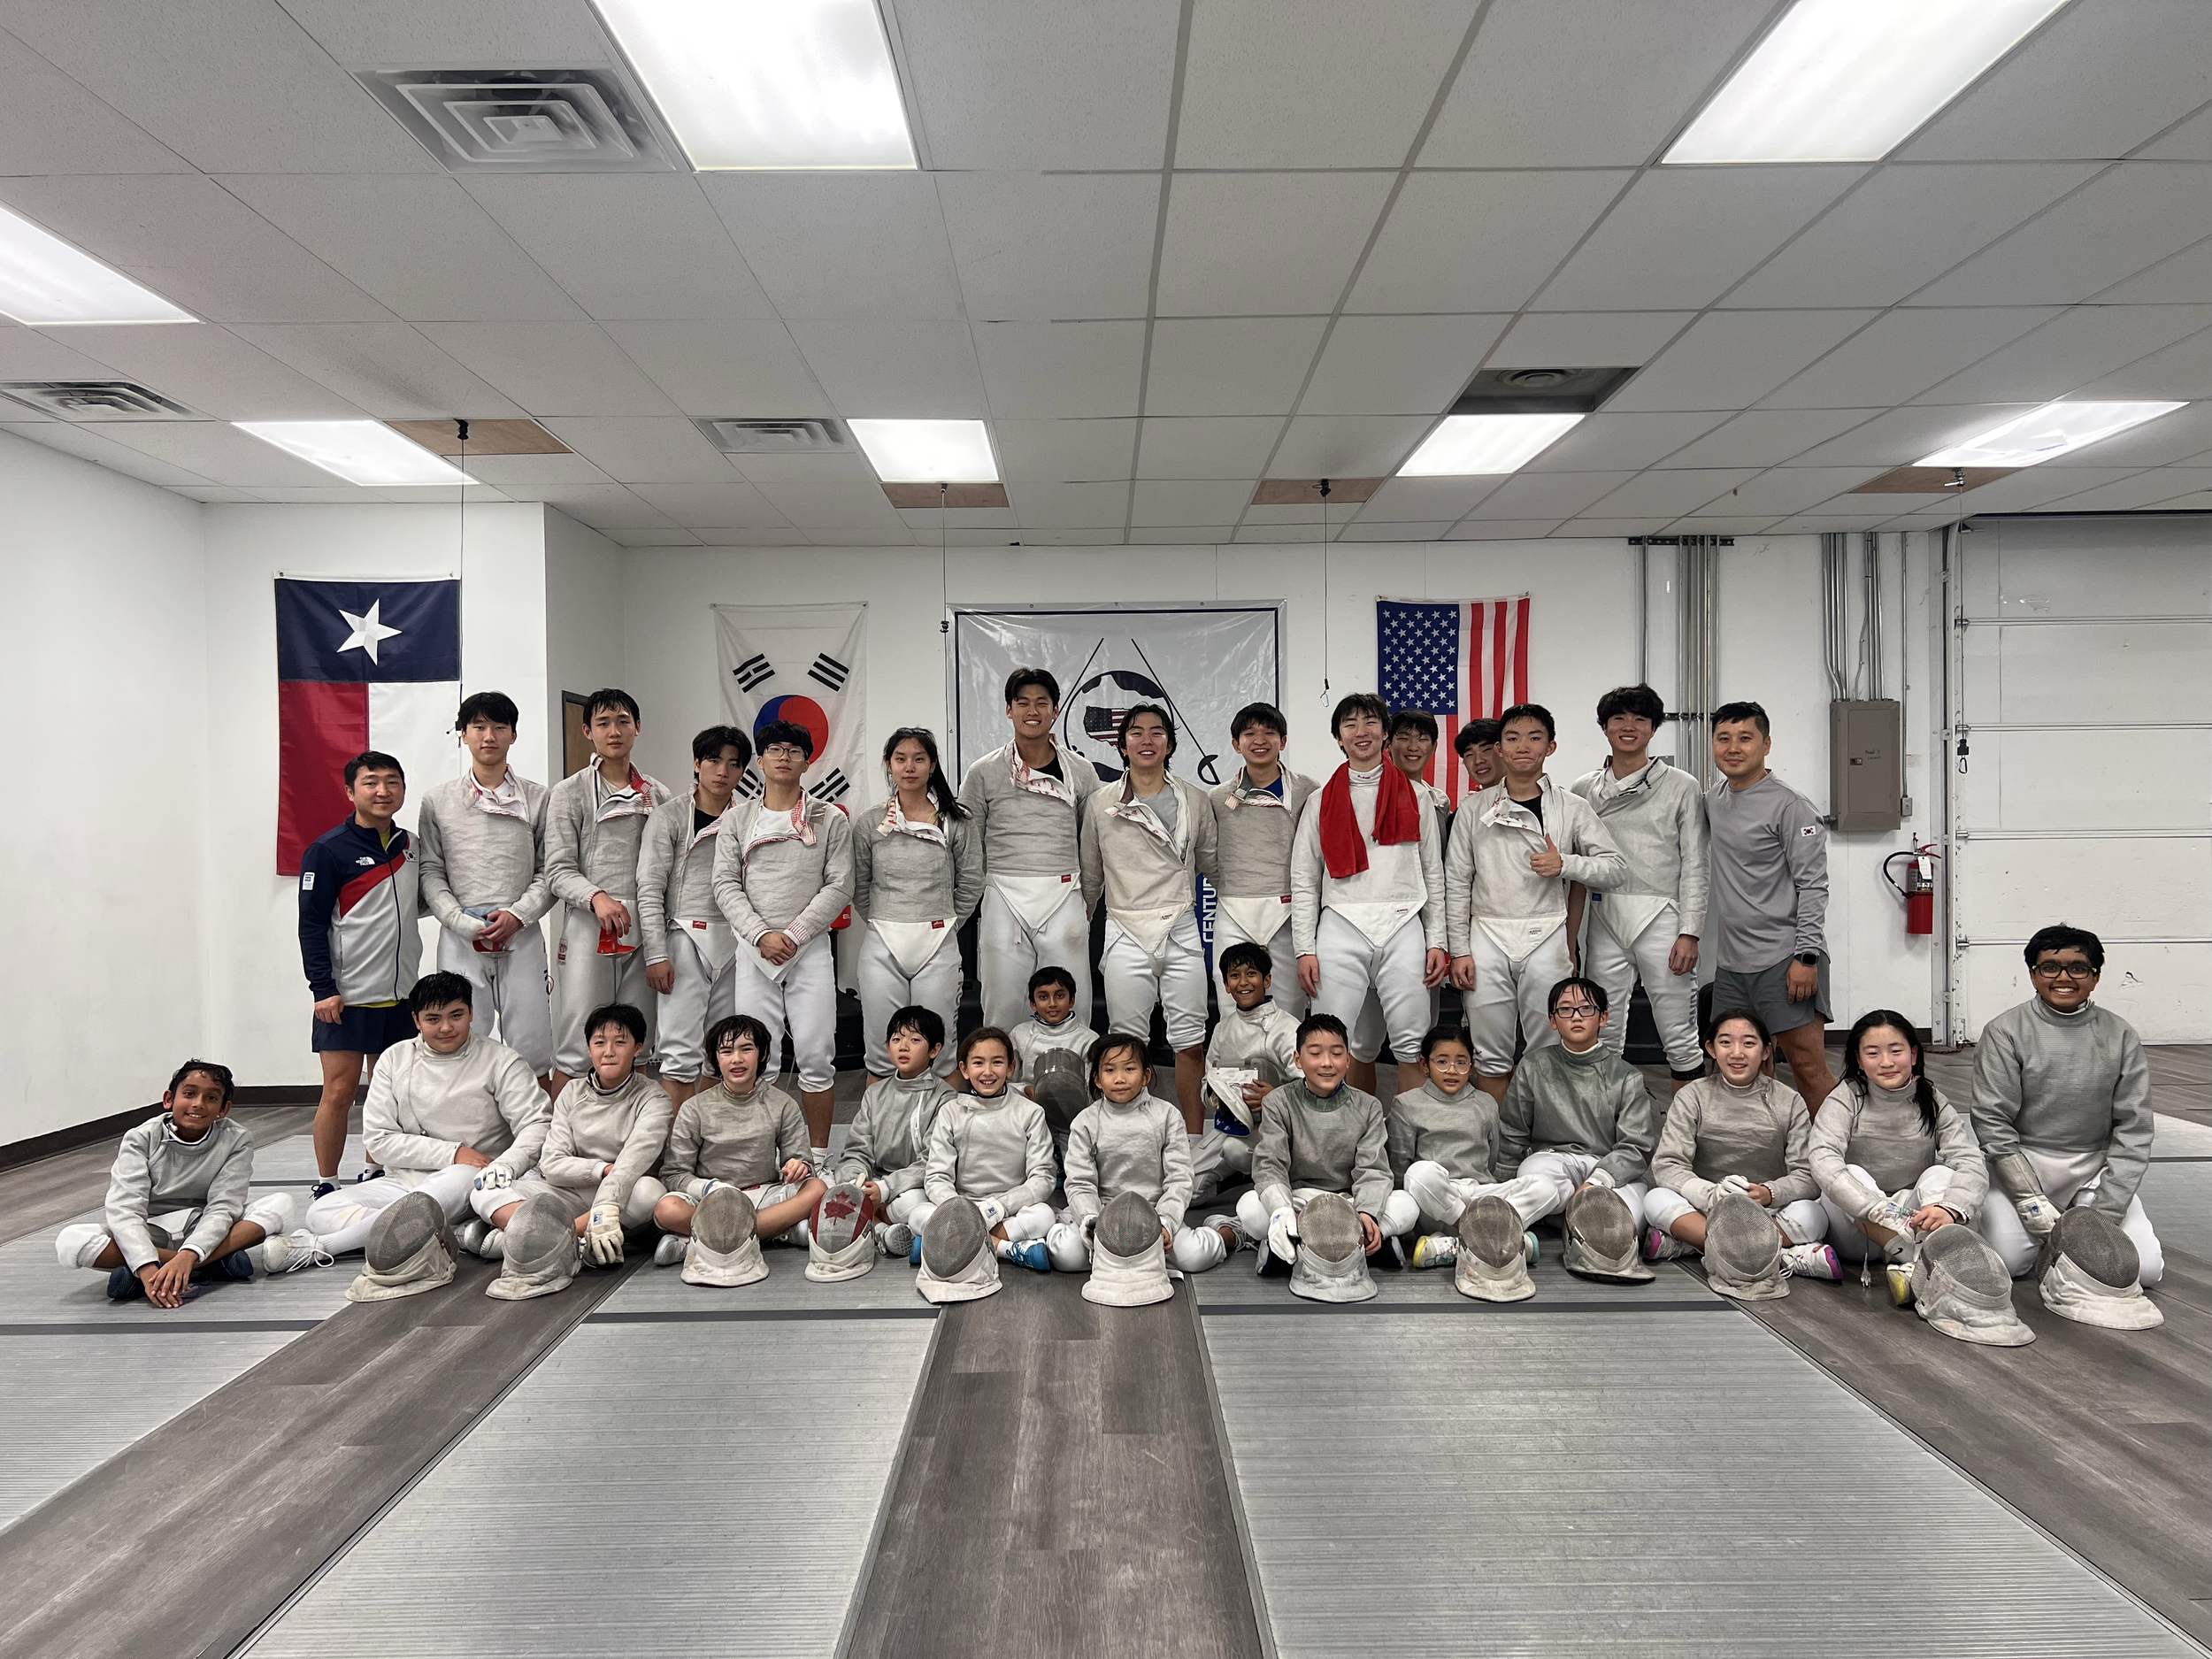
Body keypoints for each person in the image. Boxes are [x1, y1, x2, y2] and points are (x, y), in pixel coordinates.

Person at [1447, 704, 1627, 1102]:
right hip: (1486, 934)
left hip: (1547, 931)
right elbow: (1457, 882)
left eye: (1534, 738)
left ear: (1551, 746)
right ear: (1499, 749)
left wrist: (1566, 863)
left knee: (1547, 1050)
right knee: (1490, 1053)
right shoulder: (1474, 810)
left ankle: (1546, 1139)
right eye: (1512, 739)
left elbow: (1615, 869)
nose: (1523, 746)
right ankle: (1495, 1149)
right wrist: (1458, 950)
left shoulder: (1571, 808)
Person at [300, 972, 549, 1261]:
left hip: (475, 1181)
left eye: (456, 1015)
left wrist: (504, 1165)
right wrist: (454, 1152)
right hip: (406, 1180)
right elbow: (379, 1141)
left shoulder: (502, 1061)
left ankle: (323, 1248)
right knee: (320, 1212)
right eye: (433, 1019)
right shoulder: (394, 1060)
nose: (446, 1027)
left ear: (471, 1013)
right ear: (416, 1020)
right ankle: (457, 1234)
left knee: (456, 1177)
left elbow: (537, 1124)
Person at [1972, 925, 2162, 1285]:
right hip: (2024, 1165)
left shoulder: (2119, 1034)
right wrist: (2029, 1199)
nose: (2064, 978)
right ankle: (2053, 1237)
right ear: (2033, 974)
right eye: (2050, 967)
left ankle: (2069, 1233)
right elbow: (1991, 1120)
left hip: (2095, 1167)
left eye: (2078, 968)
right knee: (2010, 1264)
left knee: (2146, 1271)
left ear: (2095, 977)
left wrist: (2105, 1210)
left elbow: (2134, 1128)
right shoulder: (2005, 1031)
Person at [709, 718, 856, 1159]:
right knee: (756, 1061)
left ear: (807, 760)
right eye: (775, 750)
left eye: (794, 750)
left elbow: (840, 884)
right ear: (760, 760)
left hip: (808, 951)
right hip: (754, 953)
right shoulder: (736, 819)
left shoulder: (829, 818)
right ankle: (763, 1158)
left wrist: (794, 933)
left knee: (816, 1058)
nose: (784, 756)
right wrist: (760, 935)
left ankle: (818, 1159)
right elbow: (724, 884)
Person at [57, 1060, 319, 1304]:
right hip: (151, 1232)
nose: (199, 1104)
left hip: (202, 1226)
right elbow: (126, 1209)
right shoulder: (140, 1138)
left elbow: (224, 1207)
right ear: (169, 1099)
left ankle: (161, 1270)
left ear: (223, 1109)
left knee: (281, 1204)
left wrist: (189, 1254)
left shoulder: (237, 1139)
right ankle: (201, 1266)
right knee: (71, 1241)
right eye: (190, 1094)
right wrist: (148, 1266)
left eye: (212, 1098)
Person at [1291, 693, 1448, 1096]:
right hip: (1341, 922)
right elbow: (1305, 879)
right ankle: (1336, 1143)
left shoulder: (1417, 797)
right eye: (1350, 725)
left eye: (1371, 723)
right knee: (1334, 1041)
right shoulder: (1319, 801)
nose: (1362, 732)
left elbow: (1433, 873)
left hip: (1404, 922)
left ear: (1385, 733)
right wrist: (1304, 948)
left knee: (1411, 1046)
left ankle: (1409, 1144)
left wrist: (1438, 941)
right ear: (1339, 738)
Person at [1080, 703, 1217, 1126]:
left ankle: (1194, 1141)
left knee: (1191, 1042)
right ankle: (1128, 1136)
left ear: (1170, 743)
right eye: (1136, 732)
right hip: (1125, 928)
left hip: (1180, 927)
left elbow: (1213, 864)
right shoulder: (1101, 803)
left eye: (1156, 732)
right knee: (1126, 1047)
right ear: (1122, 745)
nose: (1146, 740)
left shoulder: (1194, 798)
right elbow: (1090, 878)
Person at [298, 749, 422, 1197]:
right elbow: (311, 924)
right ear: (351, 792)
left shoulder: (412, 846)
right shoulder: (328, 850)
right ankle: (326, 1181)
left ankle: (376, 1168)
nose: (382, 790)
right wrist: (323, 988)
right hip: (347, 995)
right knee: (340, 1090)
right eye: (371, 782)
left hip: (402, 992)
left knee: (389, 1090)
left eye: (392, 781)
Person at [415, 691, 555, 1086]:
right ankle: (466, 1139)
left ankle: (534, 1143)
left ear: (513, 735)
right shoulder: (437, 801)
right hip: (459, 935)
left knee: (532, 1044)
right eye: (478, 726)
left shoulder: (539, 797)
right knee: (455, 1037)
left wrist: (518, 915)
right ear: (463, 734)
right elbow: (431, 869)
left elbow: (550, 869)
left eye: (499, 727)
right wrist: (458, 920)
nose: (488, 736)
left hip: (520, 932)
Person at [1569, 685, 1707, 1083]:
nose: (1628, 726)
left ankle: (1690, 1130)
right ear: (1605, 728)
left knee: (1678, 1030)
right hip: (1604, 915)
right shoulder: (1582, 789)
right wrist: (1571, 935)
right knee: (1602, 1030)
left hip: (1662, 916)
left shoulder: (1682, 785)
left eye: (1639, 719)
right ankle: (1604, 1122)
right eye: (1619, 719)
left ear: (1653, 728)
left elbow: (1697, 862)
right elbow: (1577, 871)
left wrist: (1690, 932)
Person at [1644, 1009, 1839, 1280]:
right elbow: (1667, 1164)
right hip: (1707, 1208)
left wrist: (1769, 1193)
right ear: (1711, 1048)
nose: (1737, 1053)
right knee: (1655, 1199)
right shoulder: (1693, 1096)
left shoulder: (1789, 1100)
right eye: (1726, 1042)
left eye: (1749, 1043)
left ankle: (1696, 1245)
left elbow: (1807, 1174)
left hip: (1767, 1209)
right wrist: (1710, 1194)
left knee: (1813, 1213)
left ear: (1766, 1051)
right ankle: (1780, 1255)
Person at [1706, 701, 1835, 1110]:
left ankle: (1838, 1157)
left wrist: (1807, 956)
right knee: (1741, 1069)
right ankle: (1764, 1155)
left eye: (1745, 738)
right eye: (1723, 738)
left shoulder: (1790, 805)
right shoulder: (1713, 800)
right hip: (1731, 965)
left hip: (1786, 958)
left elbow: (1814, 885)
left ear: (1766, 744)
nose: (1733, 747)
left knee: (1806, 1066)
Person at [958, 667, 1103, 1031]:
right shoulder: (983, 771)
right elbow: (969, 842)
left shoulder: (1082, 772)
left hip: (1064, 892)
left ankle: (1073, 1080)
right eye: (1022, 702)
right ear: (1009, 710)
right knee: (1003, 1003)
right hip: (1003, 893)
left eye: (1042, 702)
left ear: (1056, 710)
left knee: (1071, 1000)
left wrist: (1086, 899)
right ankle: (1001, 1084)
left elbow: (1093, 840)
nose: (1032, 710)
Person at [542, 689, 669, 1094]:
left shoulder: (659, 795)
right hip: (587, 927)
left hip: (645, 928)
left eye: (622, 722)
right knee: (579, 1042)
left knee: (639, 1042)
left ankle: (638, 1138)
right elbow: (557, 870)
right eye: (603, 723)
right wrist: (597, 897)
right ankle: (559, 1146)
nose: (614, 731)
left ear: (637, 728)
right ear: (587, 731)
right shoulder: (569, 792)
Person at [480, 1002, 672, 1265]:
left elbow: (631, 1164)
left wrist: (606, 1203)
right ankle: (560, 1240)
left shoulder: (654, 1098)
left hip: (623, 1193)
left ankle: (528, 1240)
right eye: (600, 1043)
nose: (609, 1052)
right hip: (573, 1188)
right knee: (484, 1191)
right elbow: (553, 1164)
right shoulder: (571, 1092)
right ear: (589, 1049)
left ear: (638, 1048)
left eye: (620, 1043)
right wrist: (601, 1169)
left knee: (650, 1191)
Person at [1810, 1010, 1987, 1295]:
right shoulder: (1845, 1098)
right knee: (1850, 1173)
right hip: (1860, 1228)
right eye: (1873, 1053)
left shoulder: (1932, 1101)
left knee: (1940, 1173)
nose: (1887, 1062)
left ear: (1914, 1055)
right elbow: (1822, 1159)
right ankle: (1927, 1262)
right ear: (1858, 1059)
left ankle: (1914, 1263)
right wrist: (1879, 1209)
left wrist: (1951, 1207)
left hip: (1912, 1219)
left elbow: (1970, 1160)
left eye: (1896, 1051)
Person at [1233, 1013, 1421, 1269]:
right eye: (1315, 1053)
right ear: (1298, 1059)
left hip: (1348, 1203)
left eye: (1336, 1053)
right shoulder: (1279, 1101)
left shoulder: (1368, 1106)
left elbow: (1373, 1169)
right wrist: (1283, 1210)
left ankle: (1302, 1244)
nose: (1326, 1063)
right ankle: (1352, 1244)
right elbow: (1269, 1164)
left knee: (1406, 1205)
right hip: (1299, 1200)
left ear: (1347, 1059)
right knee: (1250, 1208)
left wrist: (1366, 1213)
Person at [1045, 1033, 1233, 1275]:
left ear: (1145, 1075)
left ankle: (1226, 1232)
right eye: (1110, 1070)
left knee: (1193, 1258)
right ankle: (1058, 1223)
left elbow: (1179, 1178)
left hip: (1154, 1212)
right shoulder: (1086, 1122)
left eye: (1129, 1068)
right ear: (1098, 1079)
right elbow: (1080, 1183)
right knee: (1068, 1257)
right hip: (1103, 1212)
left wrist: (1166, 1222)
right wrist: (1091, 1221)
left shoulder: (1167, 1115)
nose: (1120, 1078)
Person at [854, 726, 981, 1081]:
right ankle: (880, 1135)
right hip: (883, 942)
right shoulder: (869, 823)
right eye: (900, 759)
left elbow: (971, 881)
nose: (909, 766)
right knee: (883, 1052)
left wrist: (946, 924)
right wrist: (884, 920)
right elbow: (860, 885)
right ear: (889, 765)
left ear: (932, 765)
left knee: (940, 1052)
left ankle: (943, 1134)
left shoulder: (957, 820)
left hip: (938, 943)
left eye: (919, 759)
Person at [649, 1014, 826, 1265]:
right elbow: (674, 1174)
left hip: (763, 1195)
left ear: (762, 1053)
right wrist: (709, 1188)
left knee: (818, 1188)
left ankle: (699, 1241)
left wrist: (799, 1167)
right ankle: (775, 1232)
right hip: (709, 1200)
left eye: (746, 1049)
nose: (737, 1059)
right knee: (667, 1209)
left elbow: (801, 1161)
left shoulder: (782, 1104)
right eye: (726, 1051)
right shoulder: (695, 1108)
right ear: (715, 1058)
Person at [639, 726, 752, 1108]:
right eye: (714, 761)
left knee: (724, 1052)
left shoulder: (751, 818)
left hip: (737, 943)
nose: (723, 771)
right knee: (678, 1056)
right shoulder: (668, 817)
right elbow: (650, 887)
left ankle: (707, 1143)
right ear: (697, 764)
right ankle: (675, 1157)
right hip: (685, 937)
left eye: (733, 764)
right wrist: (656, 953)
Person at [1494, 979, 1659, 1234]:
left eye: (1586, 1008)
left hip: (1608, 1168)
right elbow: (1512, 1131)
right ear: (1553, 1020)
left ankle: (1561, 1219)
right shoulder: (1534, 1066)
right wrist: (1504, 1184)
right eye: (1566, 1009)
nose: (1576, 1016)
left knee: (1629, 1218)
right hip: (1553, 1163)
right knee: (1533, 1172)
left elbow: (1636, 1147)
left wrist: (1596, 1182)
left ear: (1603, 1017)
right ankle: (1576, 1222)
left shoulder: (1626, 1076)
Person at [1390, 1024, 1546, 1269]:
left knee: (1546, 1186)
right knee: (1419, 1173)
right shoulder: (1407, 1104)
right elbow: (1399, 1167)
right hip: (1436, 1204)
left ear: (1471, 1065)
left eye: (1461, 1062)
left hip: (1479, 1196)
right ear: (1424, 1065)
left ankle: (1453, 1246)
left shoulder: (1486, 1103)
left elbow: (1492, 1160)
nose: (1452, 1070)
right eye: (1442, 1061)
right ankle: (1495, 1238)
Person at [910, 1027, 1057, 1271]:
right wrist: (959, 1209)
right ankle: (1005, 1249)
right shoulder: (950, 1112)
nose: (988, 1072)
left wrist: (999, 1207)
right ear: (965, 1069)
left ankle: (947, 1242)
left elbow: (1042, 1177)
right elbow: (937, 1175)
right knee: (917, 1214)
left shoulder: (1030, 1112)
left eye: (997, 1063)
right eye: (978, 1063)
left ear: (1011, 1068)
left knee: (1043, 1216)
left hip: (1010, 1207)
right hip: (962, 1203)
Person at [1207, 702, 1318, 1020]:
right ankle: (1233, 1071)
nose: (1260, 740)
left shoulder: (1308, 791)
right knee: (1231, 1003)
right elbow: (1209, 856)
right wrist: (1231, 886)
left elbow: (1315, 852)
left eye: (1269, 733)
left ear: (1283, 741)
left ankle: (1289, 1070)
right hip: (1234, 910)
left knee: (1290, 1008)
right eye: (1250, 733)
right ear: (1235, 743)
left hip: (1289, 912)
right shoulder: (1218, 797)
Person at [835, 1005, 957, 1259]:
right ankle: (881, 1228)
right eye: (897, 1039)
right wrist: (855, 1182)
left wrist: (887, 1188)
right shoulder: (875, 1093)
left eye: (915, 1040)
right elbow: (857, 1148)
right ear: (887, 1046)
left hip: (913, 1185)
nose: (904, 1046)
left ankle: (869, 1224)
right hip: (874, 1183)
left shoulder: (944, 1097)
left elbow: (933, 1160)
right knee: (828, 1186)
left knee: (916, 1205)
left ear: (934, 1050)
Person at [1190, 941, 1302, 1204]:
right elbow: (1207, 1082)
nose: (1244, 982)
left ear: (1267, 979)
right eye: (1235, 976)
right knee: (1185, 1191)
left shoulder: (1287, 1027)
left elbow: (1308, 1084)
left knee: (1236, 1150)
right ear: (1226, 985)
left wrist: (1274, 1097)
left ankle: (1274, 1176)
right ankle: (1239, 1180)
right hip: (1233, 1124)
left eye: (1251, 974)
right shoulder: (1223, 1028)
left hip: (1279, 1127)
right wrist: (1219, 1097)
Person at [1009, 964, 1094, 1150]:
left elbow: (1093, 1088)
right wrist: (1024, 1089)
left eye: (1060, 996)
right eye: (1043, 997)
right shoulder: (1020, 1034)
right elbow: (1007, 1081)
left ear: (1072, 1000)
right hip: (1030, 1109)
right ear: (1032, 1003)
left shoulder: (1088, 1039)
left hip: (1075, 1115)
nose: (1052, 1004)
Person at [1388, 708, 1451, 823]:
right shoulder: (1375, 795)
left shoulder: (1440, 801)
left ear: (1434, 747)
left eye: (1422, 739)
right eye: (1404, 738)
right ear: (1388, 744)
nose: (1413, 747)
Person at [1454, 718, 1502, 794]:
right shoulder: (1468, 805)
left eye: (1486, 750)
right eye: (1470, 755)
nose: (1478, 761)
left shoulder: (1525, 801)